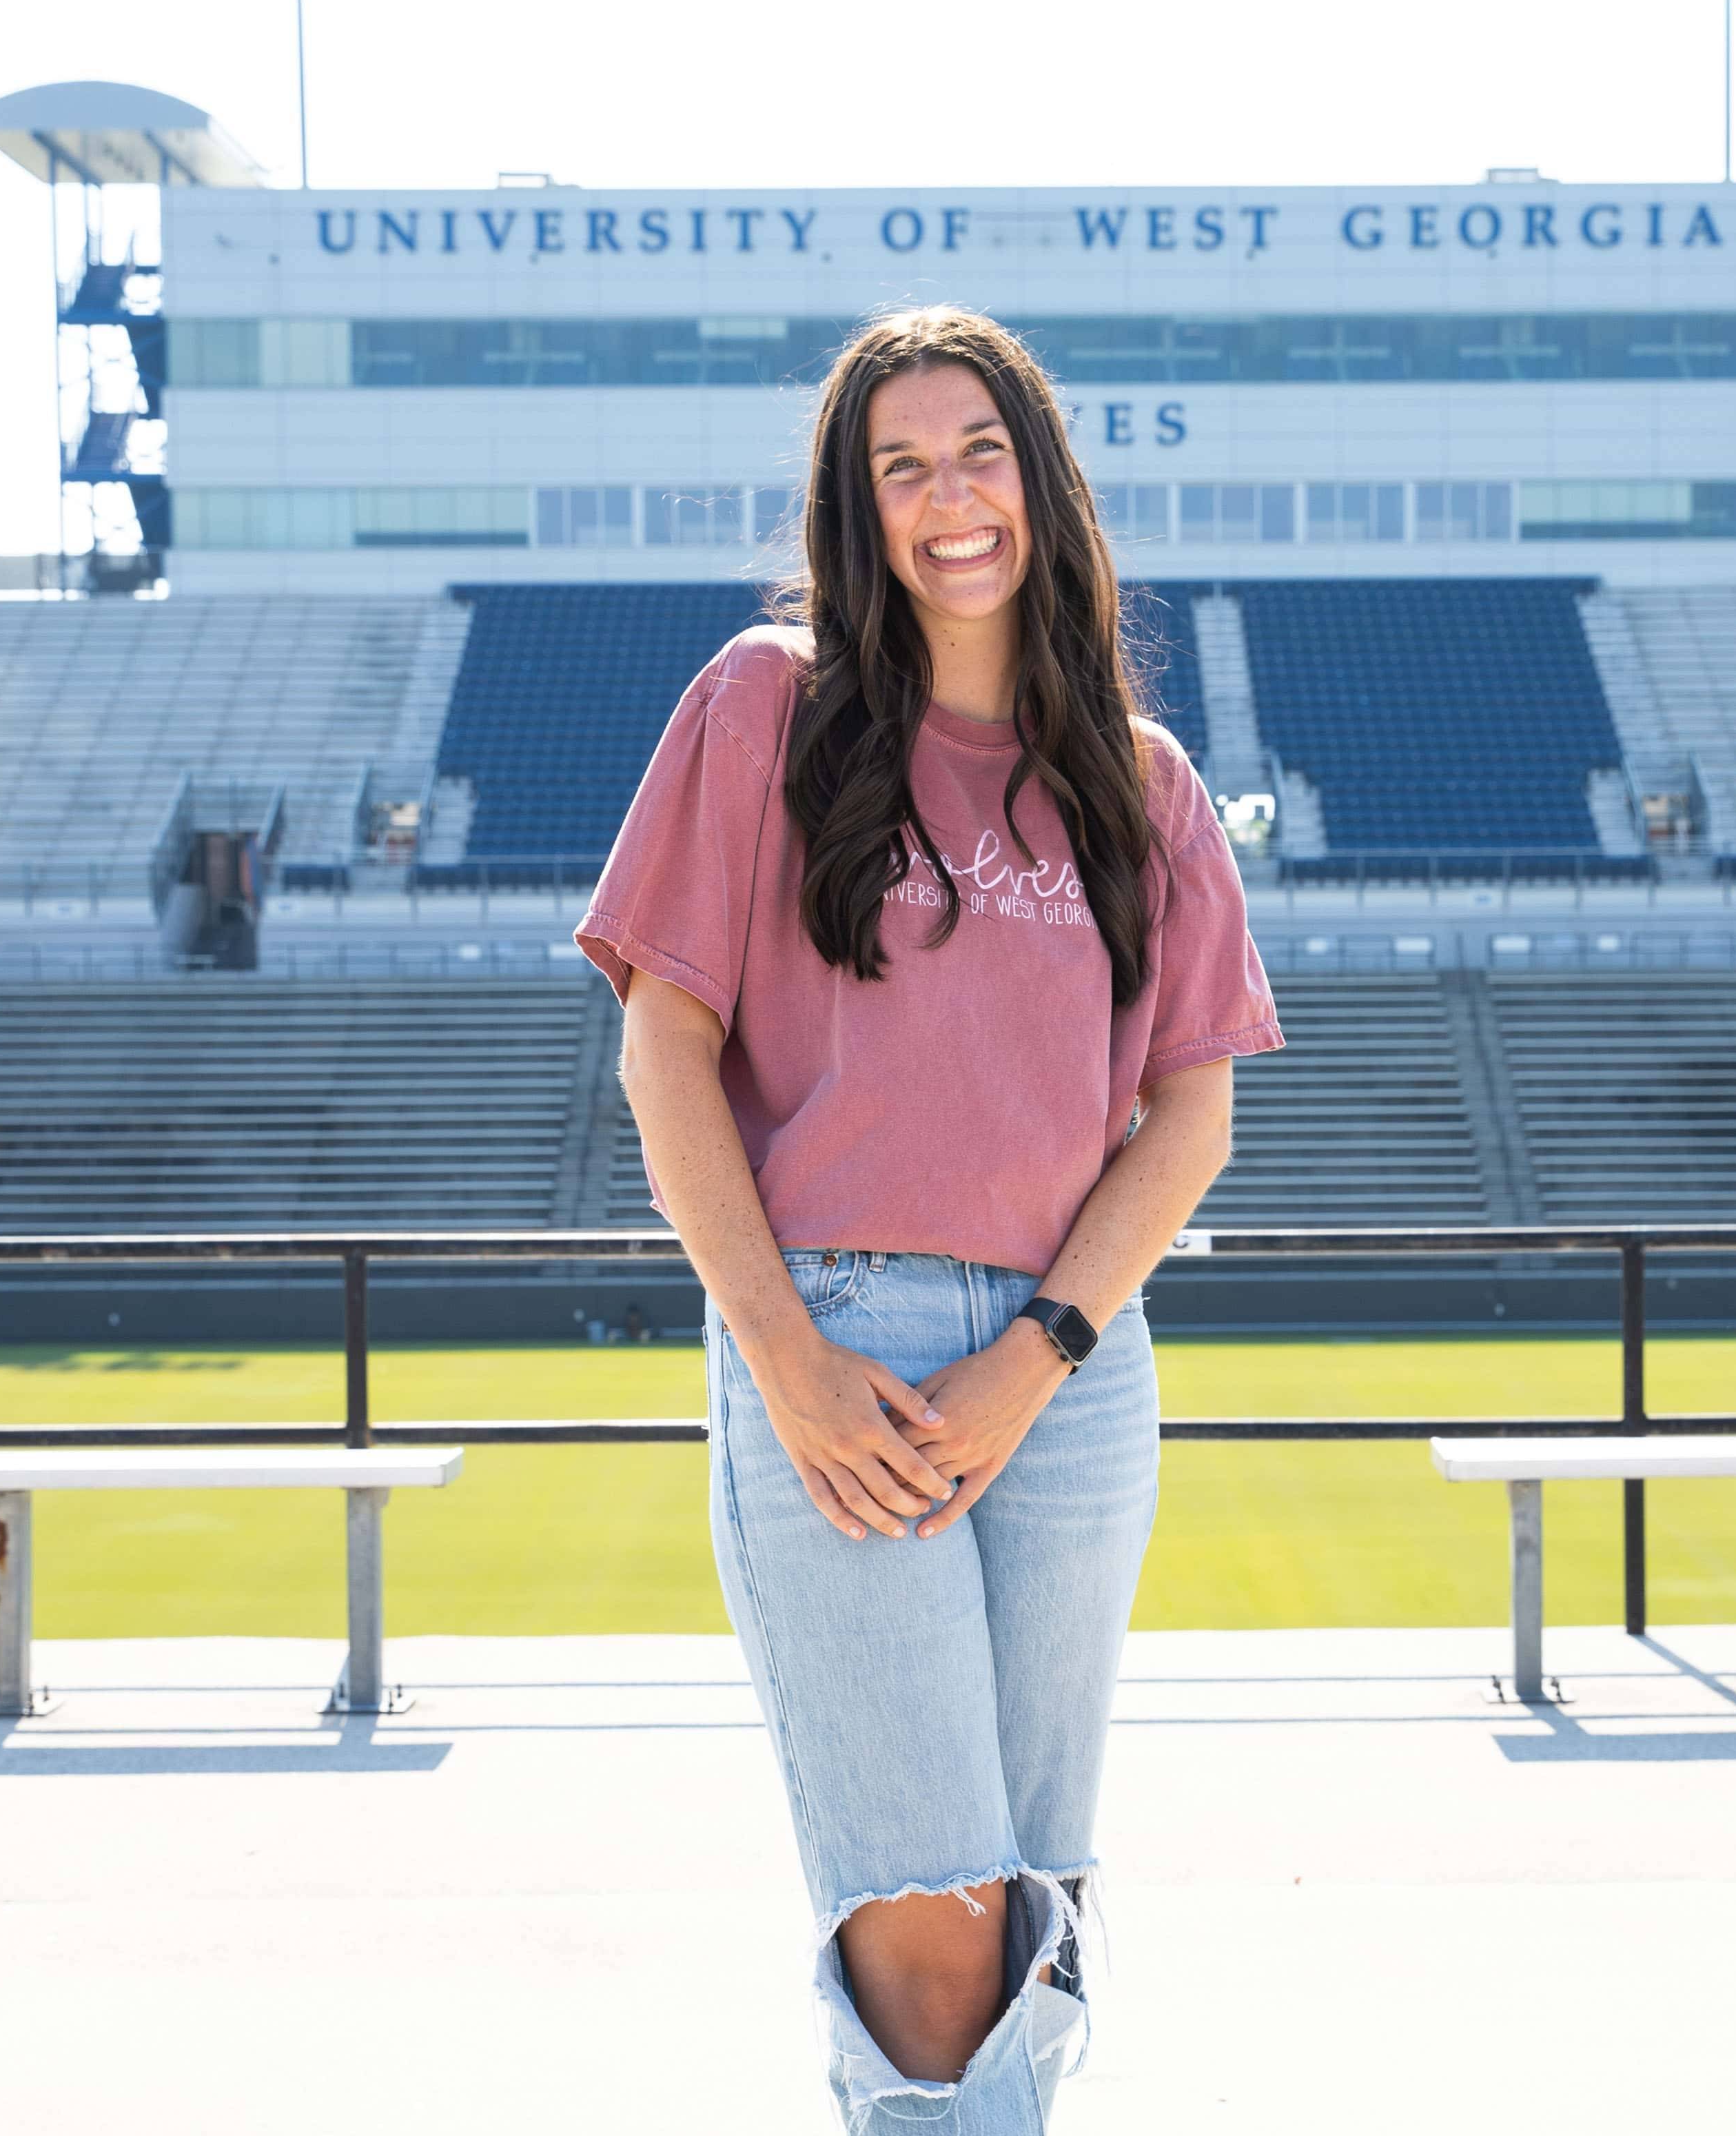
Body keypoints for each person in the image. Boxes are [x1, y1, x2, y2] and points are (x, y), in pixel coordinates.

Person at [577, 304, 1280, 2130]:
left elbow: (1188, 1109)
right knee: (932, 1921)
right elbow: (667, 1053)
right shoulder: (762, 706)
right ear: (857, 511)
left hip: (1069, 1375)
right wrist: (788, 1366)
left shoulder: (1146, 786)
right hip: (839, 1350)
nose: (946, 497)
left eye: (978, 453)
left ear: (1038, 486)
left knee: (1033, 1907)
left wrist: (1038, 1356)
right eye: (900, 467)